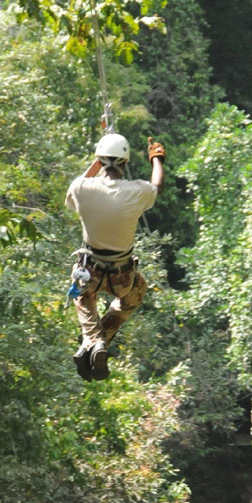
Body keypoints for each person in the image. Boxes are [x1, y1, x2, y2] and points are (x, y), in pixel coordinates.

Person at [65, 133, 165, 381]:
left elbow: (74, 193)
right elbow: (157, 187)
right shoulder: (136, 191)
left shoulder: (81, 188)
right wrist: (157, 159)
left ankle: (93, 340)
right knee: (137, 292)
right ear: (125, 163)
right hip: (123, 276)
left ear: (99, 160)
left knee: (82, 296)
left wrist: (96, 163)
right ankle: (99, 341)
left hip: (90, 272)